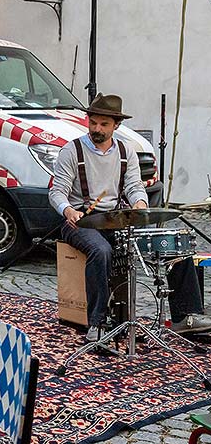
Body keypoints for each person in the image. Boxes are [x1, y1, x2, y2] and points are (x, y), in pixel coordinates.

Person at [49, 93, 211, 342]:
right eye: (93, 122)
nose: (97, 129)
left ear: (116, 125)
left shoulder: (126, 152)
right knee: (100, 250)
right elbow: (57, 191)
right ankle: (97, 322)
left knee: (175, 242)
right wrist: (68, 210)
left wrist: (140, 204)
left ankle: (185, 315)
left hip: (115, 219)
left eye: (103, 124)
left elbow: (134, 186)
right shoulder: (72, 151)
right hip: (79, 221)